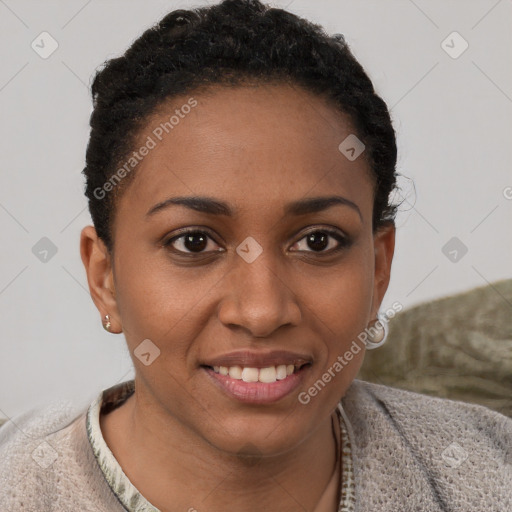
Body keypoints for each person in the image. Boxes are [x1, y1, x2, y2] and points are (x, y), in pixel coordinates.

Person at [1, 1, 510, 510]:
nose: (262, 311)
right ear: (104, 276)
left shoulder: (487, 474)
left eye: (317, 241)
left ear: (378, 270)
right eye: (194, 242)